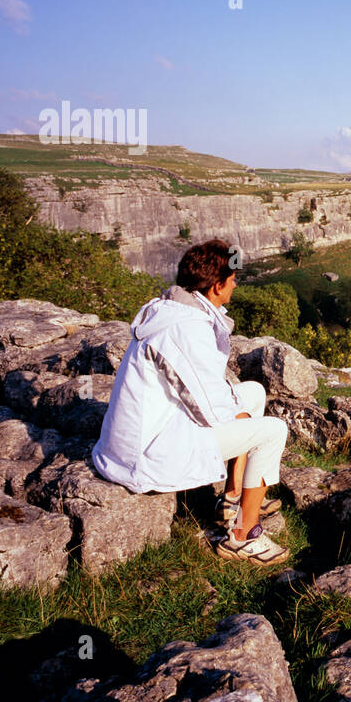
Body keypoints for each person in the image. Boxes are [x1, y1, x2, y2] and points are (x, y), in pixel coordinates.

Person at [91, 239, 290, 564]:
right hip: (143, 457)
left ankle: (233, 497)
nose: (236, 283)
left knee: (253, 392)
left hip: (149, 432)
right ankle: (243, 535)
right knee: (272, 432)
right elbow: (212, 410)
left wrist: (238, 412)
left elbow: (201, 387)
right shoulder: (185, 329)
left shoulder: (173, 309)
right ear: (216, 286)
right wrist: (245, 425)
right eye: (232, 278)